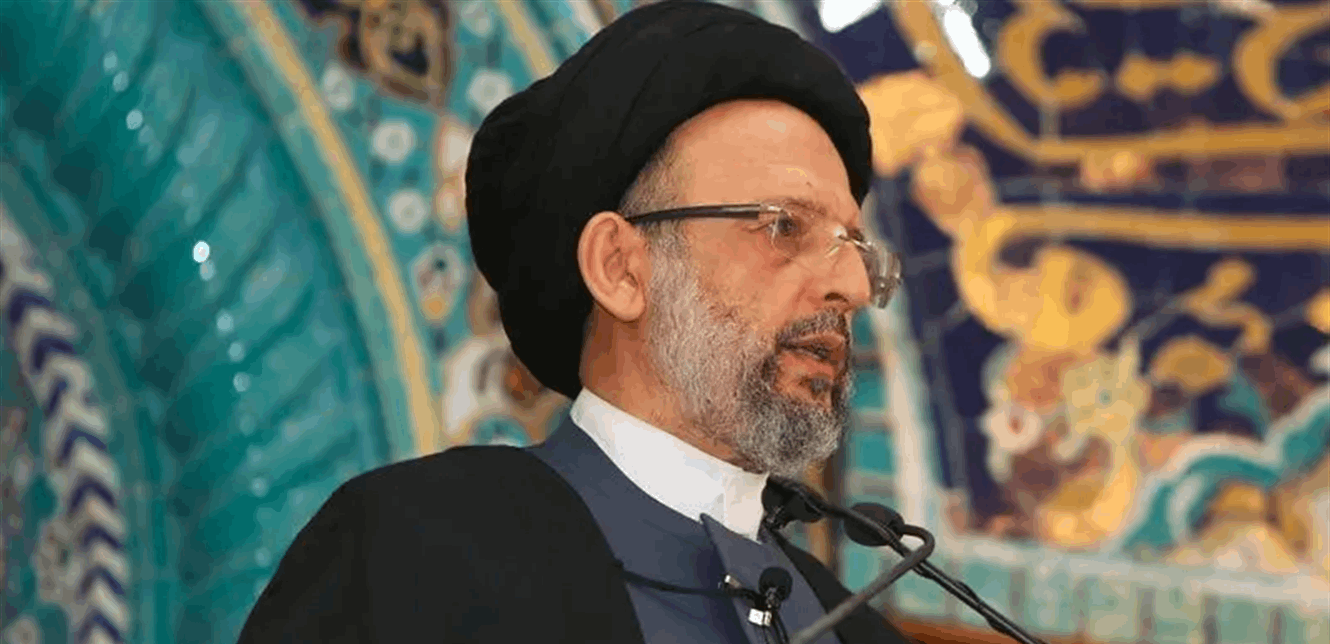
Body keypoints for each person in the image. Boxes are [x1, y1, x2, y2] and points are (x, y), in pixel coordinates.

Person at [236, 1, 912, 642]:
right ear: (619, 268)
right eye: (784, 226)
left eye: (855, 247)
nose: (852, 287)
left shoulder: (850, 627)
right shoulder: (414, 554)